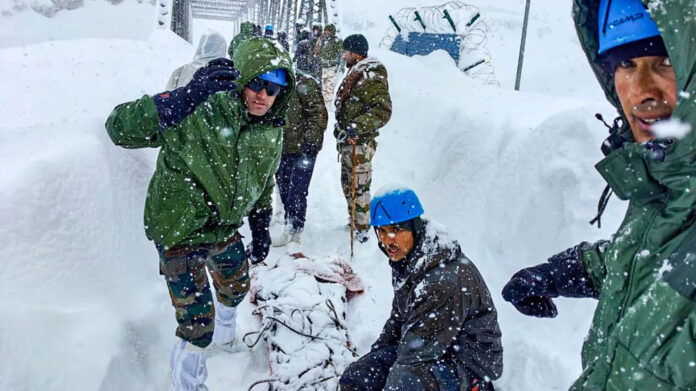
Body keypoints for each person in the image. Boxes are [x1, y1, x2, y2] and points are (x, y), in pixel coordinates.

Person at [502, 0, 696, 389]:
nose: (640, 92)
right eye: (625, 64)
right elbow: (656, 264)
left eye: (664, 62)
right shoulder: (666, 188)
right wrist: (564, 272)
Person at [105, 37, 295, 391]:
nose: (262, 95)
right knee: (197, 322)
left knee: (237, 284)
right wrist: (180, 99)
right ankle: (188, 383)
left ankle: (225, 340)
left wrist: (261, 221)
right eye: (256, 83)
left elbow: (264, 178)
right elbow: (118, 127)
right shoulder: (201, 108)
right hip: (180, 225)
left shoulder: (270, 131)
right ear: (242, 79)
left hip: (221, 225)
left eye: (273, 88)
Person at [340, 187, 503, 391]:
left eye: (396, 230)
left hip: (470, 363)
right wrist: (375, 358)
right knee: (357, 377)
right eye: (381, 231)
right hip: (433, 346)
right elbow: (398, 320)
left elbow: (416, 353)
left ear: (414, 228)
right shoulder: (407, 259)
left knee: (403, 383)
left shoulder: (442, 280)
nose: (387, 239)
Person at [334, 34, 392, 243]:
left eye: (346, 51)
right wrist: (341, 128)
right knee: (348, 184)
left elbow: (383, 111)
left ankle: (362, 229)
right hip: (350, 143)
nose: (343, 55)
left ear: (354, 53)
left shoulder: (372, 75)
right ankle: (353, 221)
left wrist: (355, 127)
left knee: (359, 187)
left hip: (361, 144)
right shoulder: (359, 72)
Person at [273, 38, 328, 246]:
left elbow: (319, 115)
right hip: (284, 148)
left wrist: (311, 142)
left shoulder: (306, 85)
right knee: (284, 187)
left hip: (304, 149)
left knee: (298, 189)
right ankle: (289, 221)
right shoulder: (279, 85)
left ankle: (295, 230)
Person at [313, 24, 343, 103]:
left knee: (330, 87)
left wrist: (340, 66)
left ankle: (329, 105)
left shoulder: (337, 41)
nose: (326, 32)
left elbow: (341, 54)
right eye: (325, 30)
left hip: (332, 67)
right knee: (324, 87)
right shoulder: (322, 40)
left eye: (328, 30)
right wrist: (319, 41)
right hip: (323, 67)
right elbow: (316, 52)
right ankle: (325, 104)